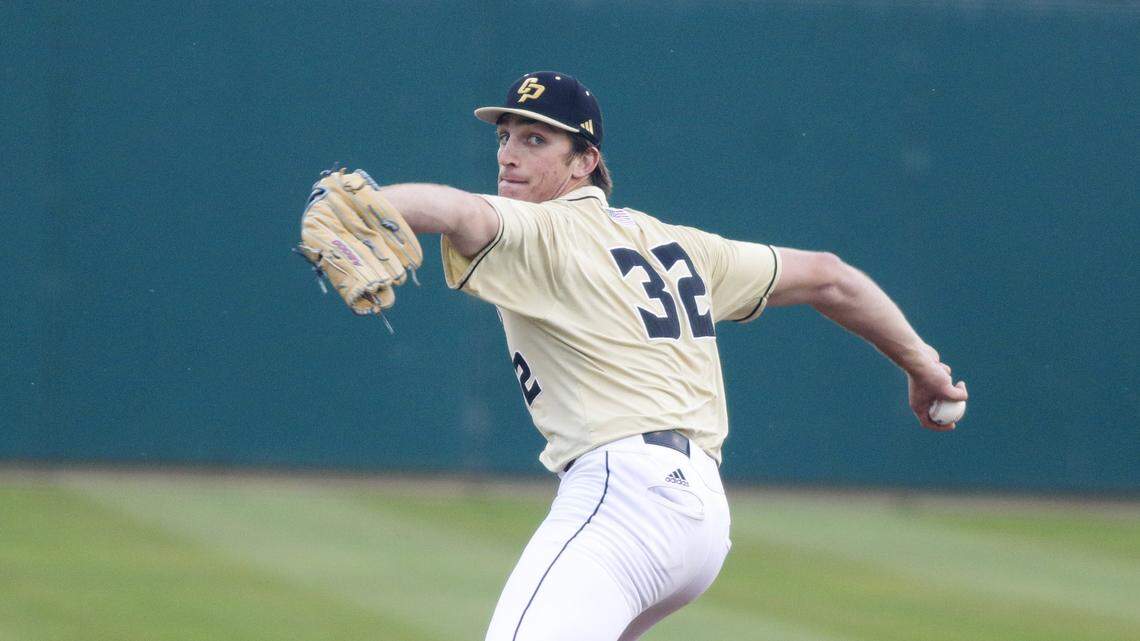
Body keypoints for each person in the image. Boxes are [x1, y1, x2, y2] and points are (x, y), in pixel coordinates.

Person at [376, 71, 968, 641]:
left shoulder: (544, 229)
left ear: (585, 161)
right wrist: (924, 366)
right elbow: (830, 277)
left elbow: (457, 210)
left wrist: (370, 206)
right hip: (700, 519)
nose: (508, 155)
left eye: (536, 140)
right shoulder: (682, 245)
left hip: (624, 498)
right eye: (505, 137)